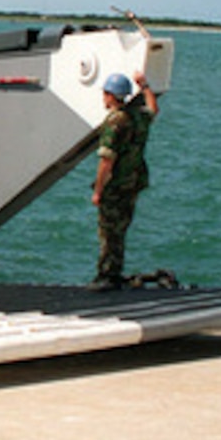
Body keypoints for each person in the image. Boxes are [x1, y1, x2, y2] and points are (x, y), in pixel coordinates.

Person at [89, 71, 158, 290]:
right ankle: (114, 271)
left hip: (116, 185)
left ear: (110, 95)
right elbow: (154, 109)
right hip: (134, 181)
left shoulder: (115, 122)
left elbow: (106, 161)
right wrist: (145, 86)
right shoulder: (139, 117)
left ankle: (107, 275)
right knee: (121, 228)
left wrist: (98, 190)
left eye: (105, 93)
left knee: (108, 232)